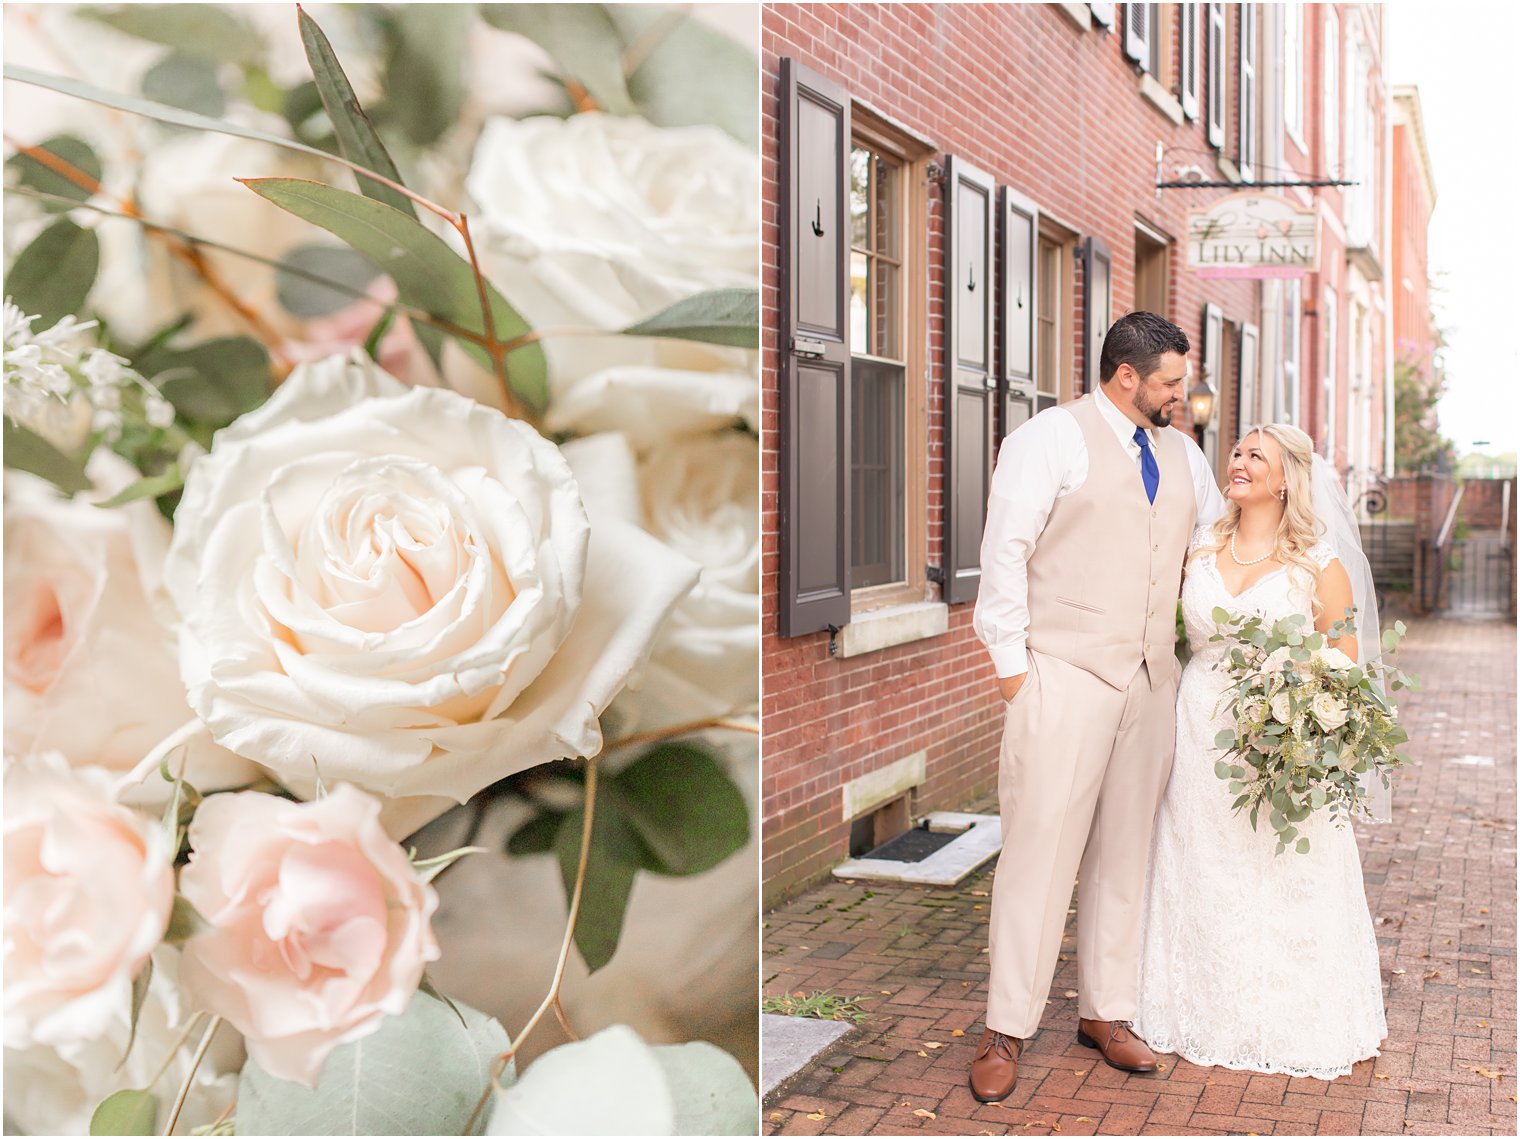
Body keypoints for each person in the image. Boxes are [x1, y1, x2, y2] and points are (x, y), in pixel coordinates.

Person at [968, 311, 1227, 1103]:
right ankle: (1006, 1027)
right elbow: (1003, 552)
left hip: (1152, 686)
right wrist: (1017, 673)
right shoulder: (1051, 437)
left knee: (1127, 852)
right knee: (1038, 856)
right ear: (1127, 376)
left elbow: (1214, 551)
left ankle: (1106, 1012)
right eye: (1172, 383)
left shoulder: (1185, 455)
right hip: (1061, 678)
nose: (1184, 397)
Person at [1132, 423, 1387, 1078]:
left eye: (1255, 456)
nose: (1238, 461)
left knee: (1277, 866)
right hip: (1197, 727)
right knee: (1202, 860)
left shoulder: (1317, 564)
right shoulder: (1199, 551)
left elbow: (1345, 660)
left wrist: (1296, 711)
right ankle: (1197, 1005)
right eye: (1237, 451)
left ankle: (1289, 1014)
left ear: (1285, 479)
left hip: (1278, 741)